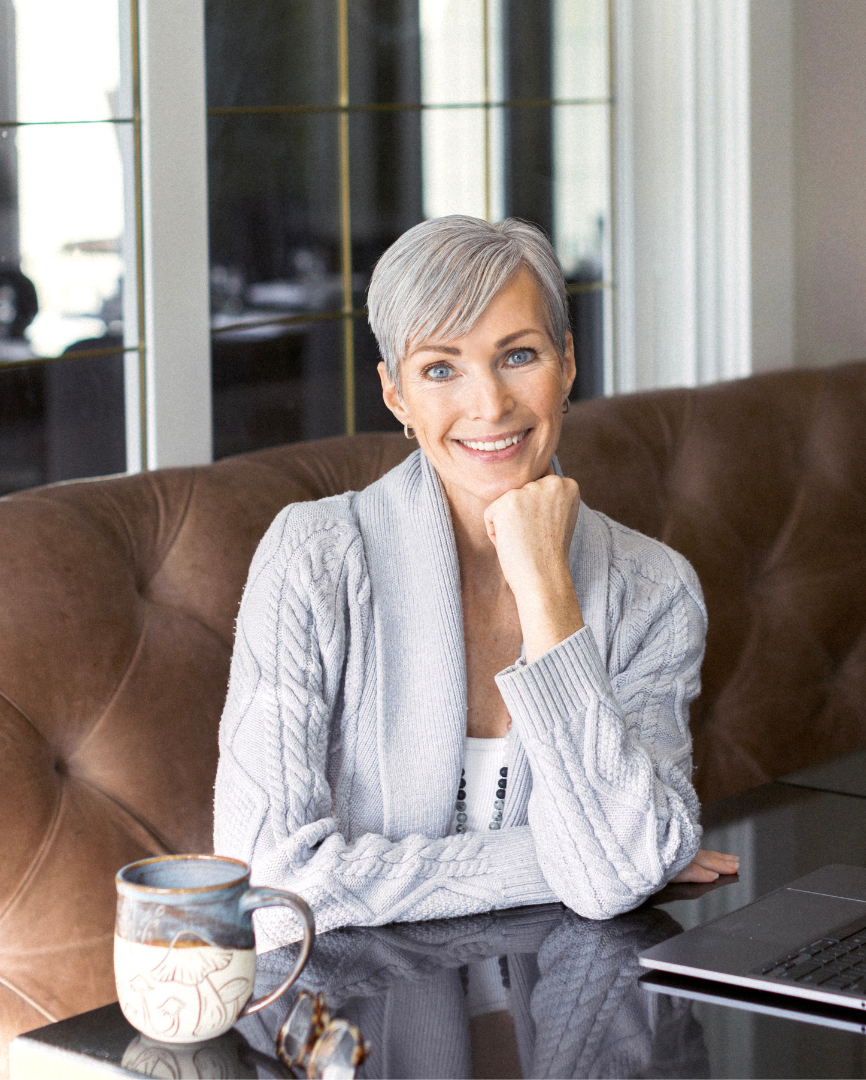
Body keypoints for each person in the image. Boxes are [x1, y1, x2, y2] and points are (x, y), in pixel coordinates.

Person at [214, 215, 737, 949]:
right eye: (440, 369)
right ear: (395, 394)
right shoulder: (311, 560)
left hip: (568, 1018)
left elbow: (623, 868)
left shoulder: (654, 589)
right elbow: (270, 892)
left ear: (568, 361)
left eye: (518, 355)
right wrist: (573, 859)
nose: (489, 405)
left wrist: (549, 589)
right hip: (361, 1030)